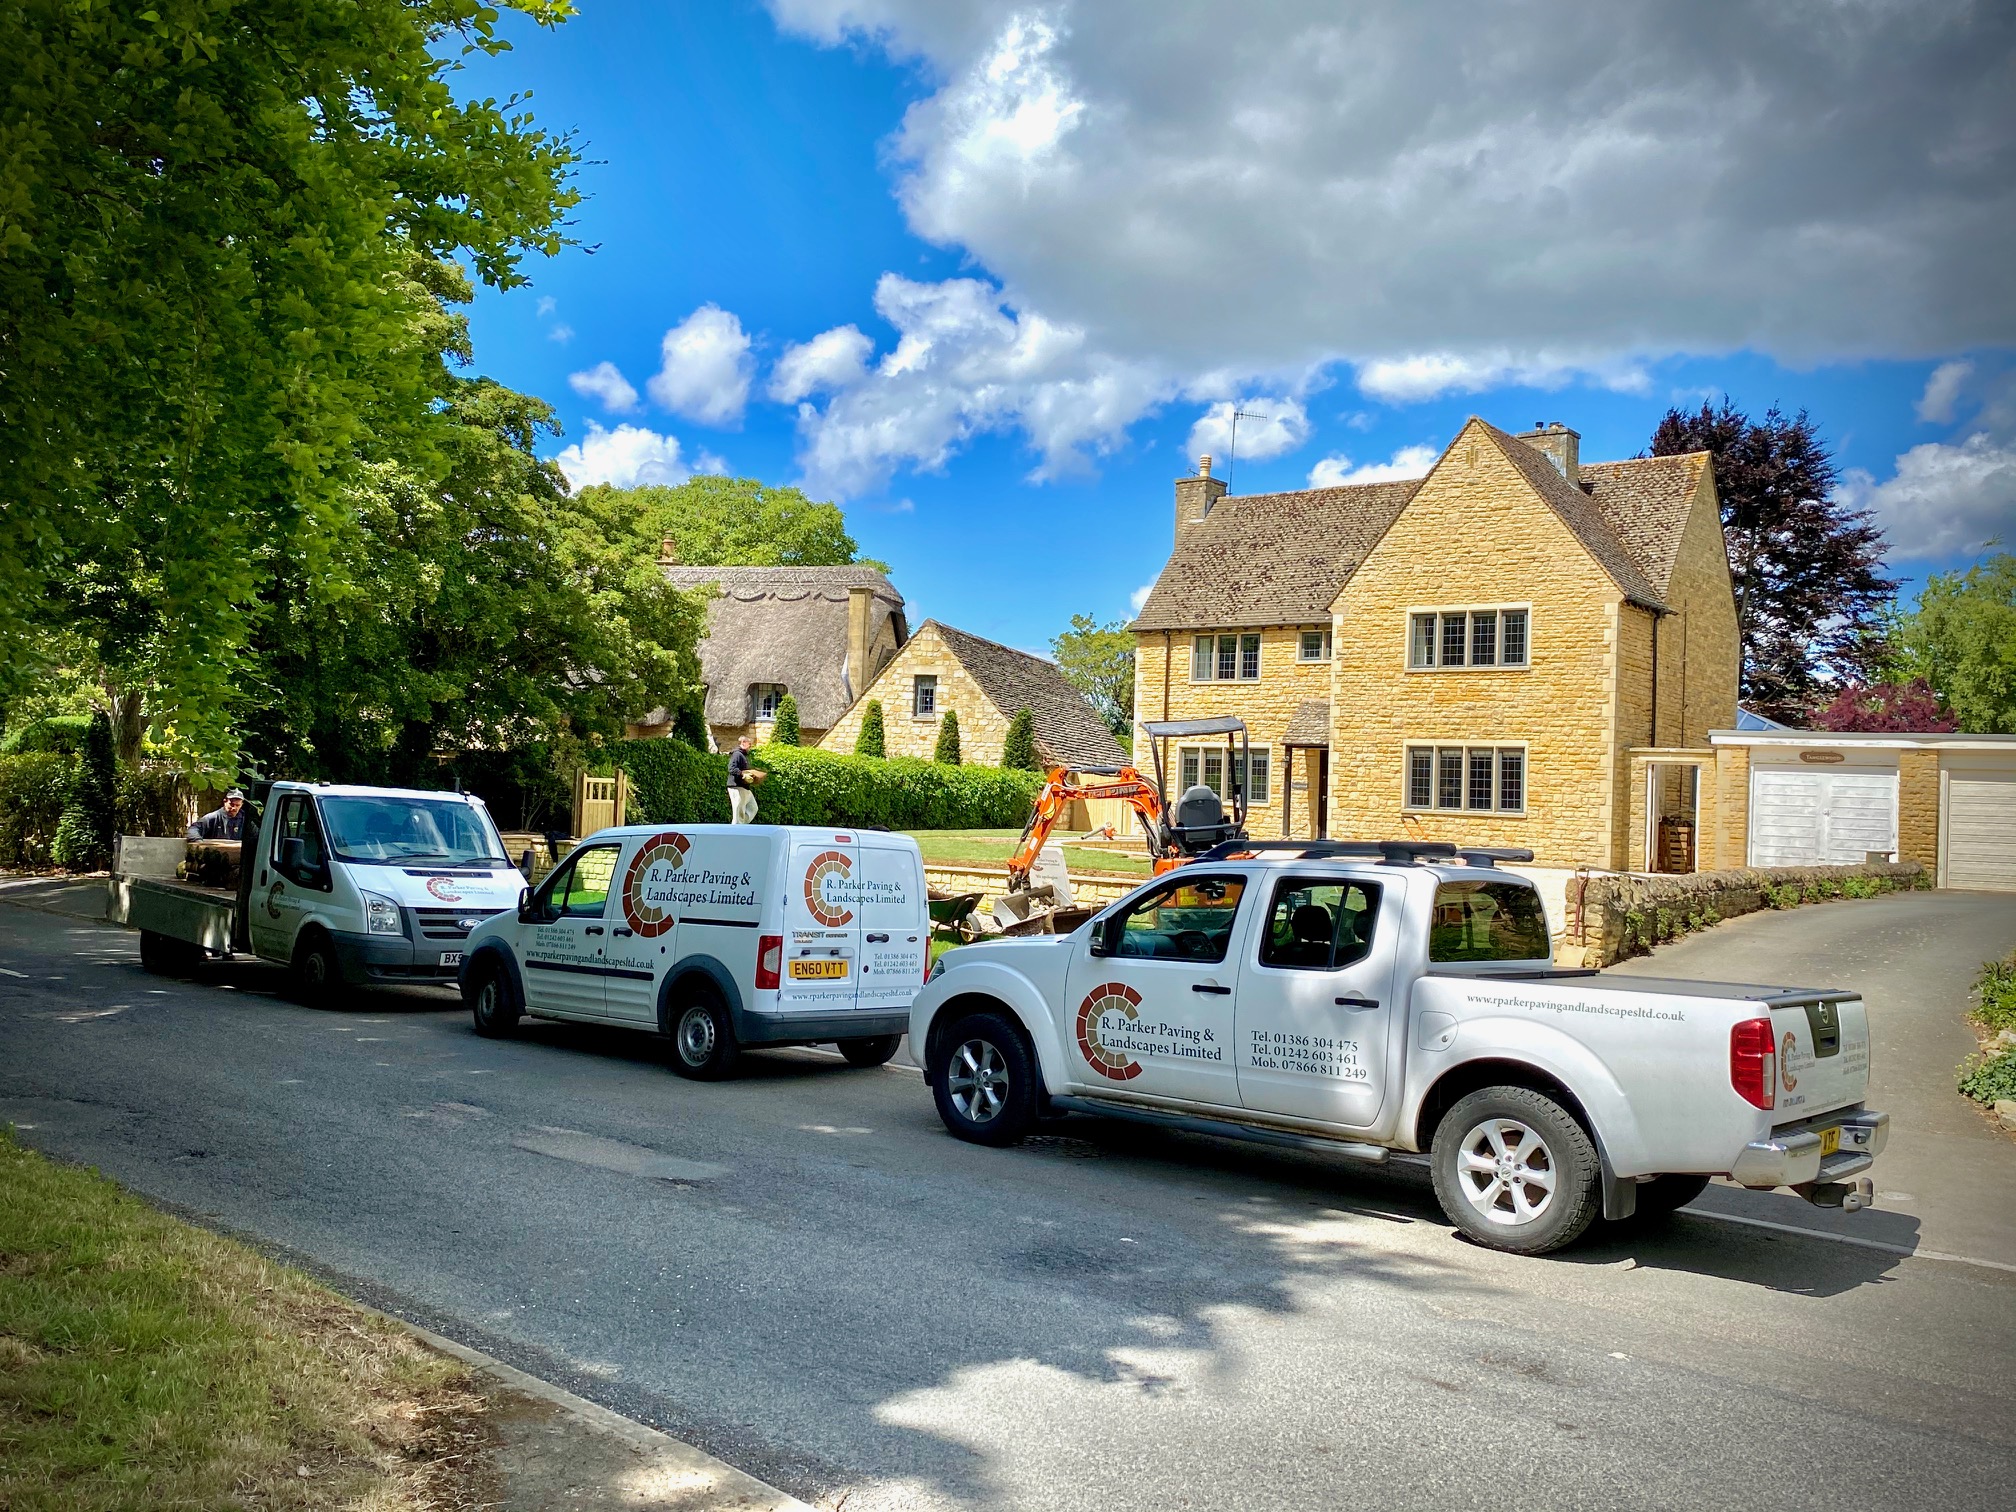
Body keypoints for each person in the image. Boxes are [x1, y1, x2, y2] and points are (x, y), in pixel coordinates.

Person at [726, 735, 765, 824]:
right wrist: (743, 774)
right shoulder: (737, 754)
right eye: (749, 744)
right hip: (736, 787)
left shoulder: (743, 755)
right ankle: (736, 831)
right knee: (738, 813)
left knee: (753, 808)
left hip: (745, 787)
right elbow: (731, 769)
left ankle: (741, 826)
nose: (750, 746)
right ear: (743, 743)